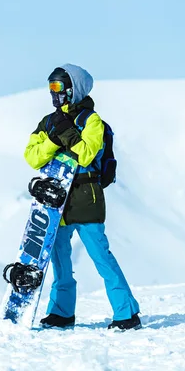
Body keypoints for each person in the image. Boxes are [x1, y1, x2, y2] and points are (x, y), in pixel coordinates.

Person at [24, 64, 141, 330]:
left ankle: (127, 313)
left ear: (73, 88)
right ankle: (62, 313)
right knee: (60, 261)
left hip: (87, 196)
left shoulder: (92, 121)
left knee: (101, 257)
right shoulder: (48, 121)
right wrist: (54, 140)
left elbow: (87, 154)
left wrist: (63, 133)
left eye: (58, 87)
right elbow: (32, 156)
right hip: (57, 199)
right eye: (50, 87)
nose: (54, 93)